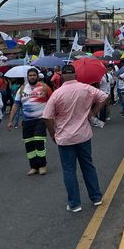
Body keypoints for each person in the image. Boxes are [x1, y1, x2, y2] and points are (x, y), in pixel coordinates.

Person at [43, 65, 108, 212]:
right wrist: (93, 112)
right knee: (88, 166)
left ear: (62, 77)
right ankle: (96, 197)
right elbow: (104, 97)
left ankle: (74, 203)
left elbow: (47, 117)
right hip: (83, 135)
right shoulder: (86, 88)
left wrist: (53, 134)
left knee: (69, 170)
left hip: (65, 138)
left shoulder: (57, 93)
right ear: (75, 74)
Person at [9, 68, 53, 175]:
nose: (32, 77)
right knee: (29, 144)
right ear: (27, 77)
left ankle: (42, 165)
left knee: (39, 141)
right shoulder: (22, 89)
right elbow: (16, 105)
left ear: (37, 76)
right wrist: (10, 120)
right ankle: (33, 166)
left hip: (41, 120)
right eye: (30, 75)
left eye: (34, 75)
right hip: (27, 122)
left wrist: (53, 117)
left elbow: (52, 102)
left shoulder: (44, 87)